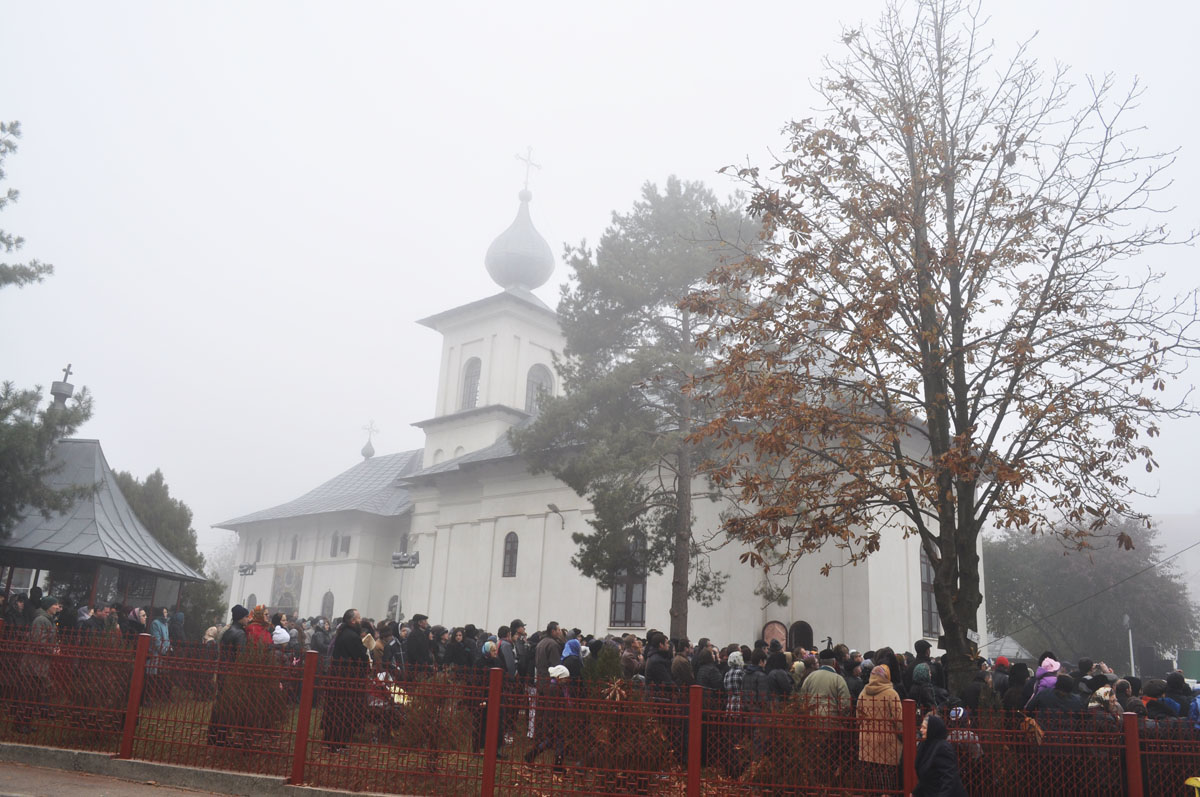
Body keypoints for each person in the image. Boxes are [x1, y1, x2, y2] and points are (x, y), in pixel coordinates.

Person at [322, 608, 371, 751]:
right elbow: (360, 657)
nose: (361, 620)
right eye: (359, 617)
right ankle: (336, 742)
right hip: (347, 678)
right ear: (352, 621)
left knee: (336, 710)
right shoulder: (351, 636)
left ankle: (336, 741)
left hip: (340, 677)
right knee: (343, 712)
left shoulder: (344, 633)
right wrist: (367, 661)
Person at [856, 663, 902, 791]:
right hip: (887, 743)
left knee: (871, 782)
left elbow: (858, 717)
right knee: (887, 781)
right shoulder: (891, 694)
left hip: (867, 741)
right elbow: (898, 720)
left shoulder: (863, 693)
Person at [913, 713, 968, 796]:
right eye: (921, 727)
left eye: (924, 728)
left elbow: (949, 778)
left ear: (932, 729)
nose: (921, 730)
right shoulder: (924, 745)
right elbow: (925, 779)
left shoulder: (943, 748)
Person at [798, 648, 851, 715]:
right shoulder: (838, 679)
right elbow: (845, 703)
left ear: (820, 662)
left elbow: (802, 697)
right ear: (834, 662)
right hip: (831, 719)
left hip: (812, 717)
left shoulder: (810, 677)